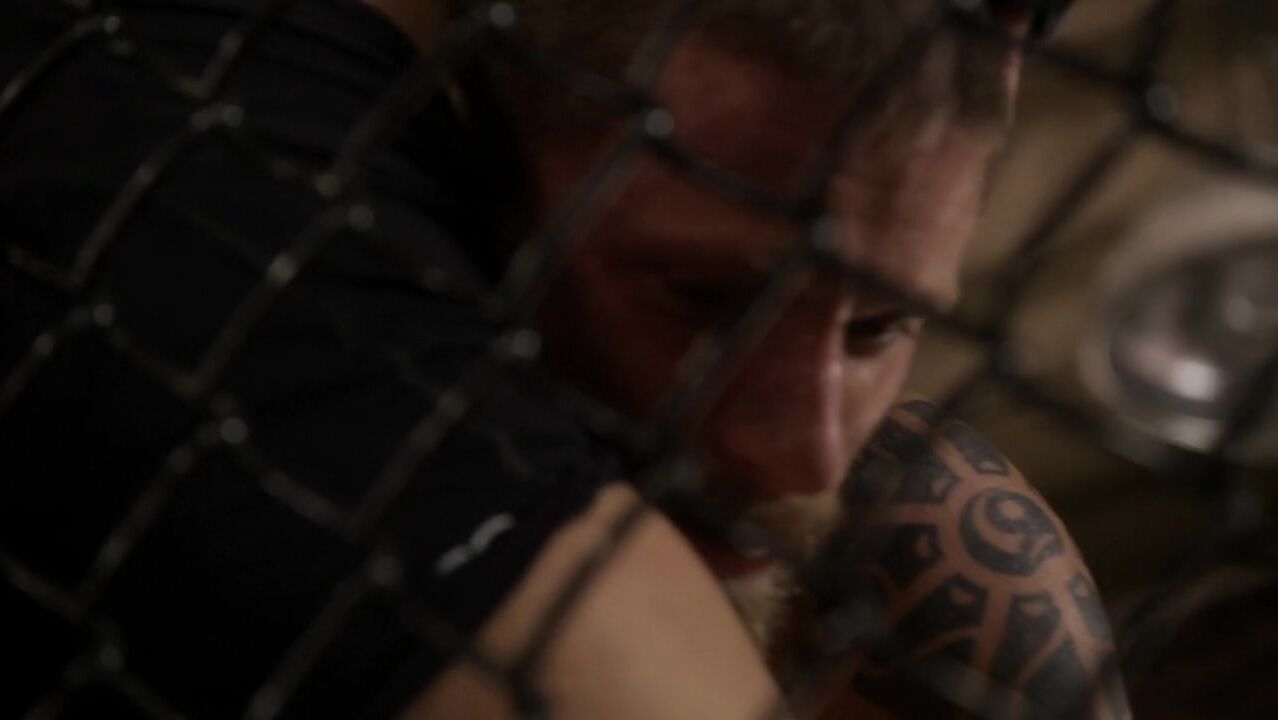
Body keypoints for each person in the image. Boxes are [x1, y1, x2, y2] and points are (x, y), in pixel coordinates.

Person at [0, 0, 1126, 718]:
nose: (803, 452)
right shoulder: (223, 177)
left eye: (880, 327)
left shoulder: (940, 572)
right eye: (708, 300)